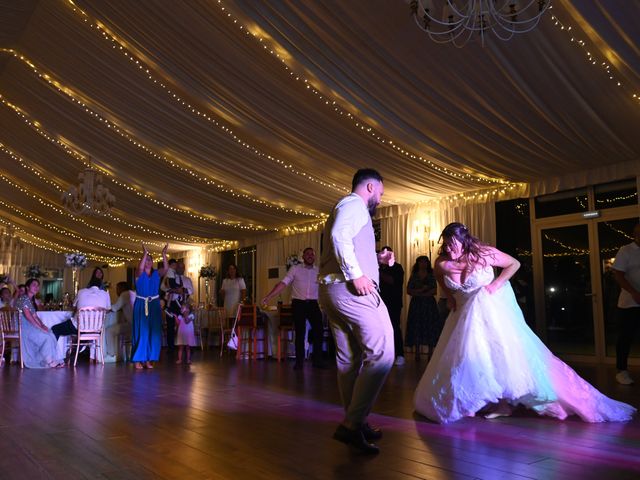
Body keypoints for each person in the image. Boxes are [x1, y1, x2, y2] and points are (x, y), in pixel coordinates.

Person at [414, 222, 636, 424]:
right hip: (462, 316)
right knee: (468, 359)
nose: (450, 249)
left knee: (500, 357)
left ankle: (504, 403)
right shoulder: (442, 262)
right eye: (447, 245)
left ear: (464, 241)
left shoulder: (484, 253)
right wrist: (451, 297)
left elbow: (514, 264)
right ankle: (476, 400)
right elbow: (439, 278)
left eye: (454, 245)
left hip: (489, 313)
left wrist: (496, 284)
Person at [318, 168, 394, 454]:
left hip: (331, 292)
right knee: (383, 354)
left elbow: (345, 242)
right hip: (350, 291)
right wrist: (355, 275)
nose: (381, 200)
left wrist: (377, 258)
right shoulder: (355, 204)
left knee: (349, 360)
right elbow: (339, 236)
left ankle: (356, 422)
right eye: (382, 194)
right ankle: (351, 425)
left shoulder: (344, 207)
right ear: (371, 187)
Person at [262, 247, 327, 370]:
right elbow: (283, 284)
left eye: (312, 255)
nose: (310, 256)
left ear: (314, 257)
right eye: (307, 254)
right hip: (298, 304)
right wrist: (269, 296)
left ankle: (318, 361)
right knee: (300, 332)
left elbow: (325, 287)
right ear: (303, 257)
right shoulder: (295, 269)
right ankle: (299, 362)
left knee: (319, 330)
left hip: (313, 304)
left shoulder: (319, 271)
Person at [132, 243, 168, 370]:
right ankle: (137, 359)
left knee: (153, 333)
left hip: (154, 305)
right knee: (142, 332)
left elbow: (166, 269)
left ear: (152, 262)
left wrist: (163, 255)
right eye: (146, 260)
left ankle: (148, 360)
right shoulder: (139, 273)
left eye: (149, 260)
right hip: (142, 304)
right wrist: (145, 254)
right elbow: (141, 269)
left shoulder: (156, 274)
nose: (147, 261)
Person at [612, 223, 640, 385]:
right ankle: (621, 371)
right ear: (635, 234)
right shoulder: (626, 250)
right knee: (626, 338)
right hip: (629, 303)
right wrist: (634, 292)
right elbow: (618, 275)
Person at [14, 278, 64, 368]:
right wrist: (39, 328)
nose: (36, 287)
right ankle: (50, 361)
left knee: (50, 333)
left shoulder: (29, 300)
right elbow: (29, 317)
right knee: (46, 337)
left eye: (38, 285)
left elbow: (35, 316)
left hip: (27, 325)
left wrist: (43, 325)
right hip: (22, 327)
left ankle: (47, 359)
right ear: (27, 287)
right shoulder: (23, 298)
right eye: (34, 285)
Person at [405, 255, 442, 362]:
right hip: (416, 304)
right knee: (416, 326)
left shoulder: (431, 275)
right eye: (421, 262)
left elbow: (434, 290)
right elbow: (408, 290)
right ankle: (416, 352)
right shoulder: (414, 275)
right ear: (418, 263)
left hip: (429, 304)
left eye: (425, 262)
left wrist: (421, 293)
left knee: (430, 326)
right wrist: (421, 291)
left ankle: (430, 352)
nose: (423, 264)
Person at [377, 246, 405, 366]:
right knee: (378, 330)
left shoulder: (397, 267)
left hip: (393, 303)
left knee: (394, 327)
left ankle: (399, 354)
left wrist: (378, 271)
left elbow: (392, 281)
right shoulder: (377, 267)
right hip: (378, 303)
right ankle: (382, 355)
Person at [108, 281, 134, 362]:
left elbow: (115, 308)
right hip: (138, 326)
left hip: (131, 326)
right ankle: (125, 354)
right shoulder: (133, 293)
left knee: (109, 331)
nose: (116, 291)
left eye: (117, 289)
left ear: (121, 288)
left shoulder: (124, 295)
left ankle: (111, 355)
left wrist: (106, 306)